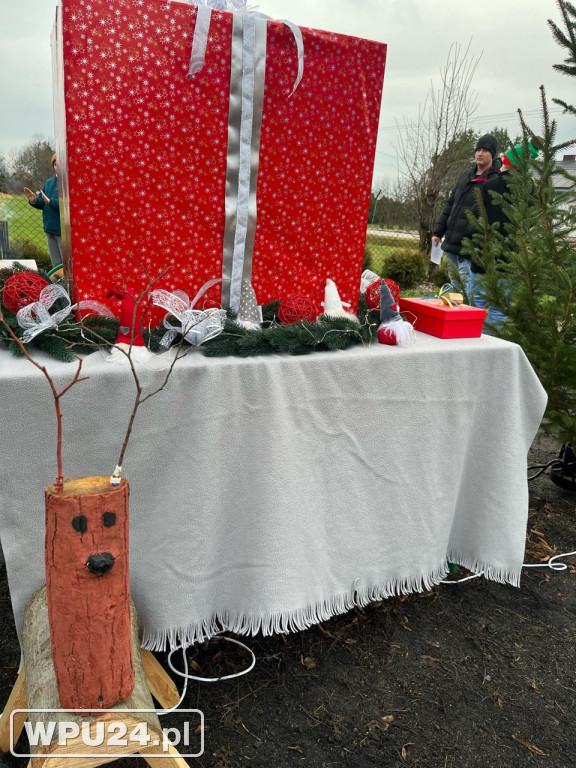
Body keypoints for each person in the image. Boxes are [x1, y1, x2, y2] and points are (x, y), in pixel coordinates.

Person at [467, 140, 541, 329]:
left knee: (474, 306)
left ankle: (470, 341)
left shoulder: (489, 186)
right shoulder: (530, 191)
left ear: (507, 162)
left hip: (483, 255)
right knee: (500, 310)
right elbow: (532, 221)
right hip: (511, 258)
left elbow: (476, 219)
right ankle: (491, 346)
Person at [432, 134, 501, 285]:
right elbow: (450, 204)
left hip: (472, 248)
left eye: (485, 150)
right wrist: (438, 232)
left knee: (467, 289)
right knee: (456, 285)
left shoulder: (496, 180)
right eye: (478, 150)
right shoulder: (465, 176)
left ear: (493, 154)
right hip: (452, 243)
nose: (480, 153)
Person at [23, 153, 62, 268]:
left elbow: (67, 205)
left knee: (65, 264)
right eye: (55, 164)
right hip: (49, 228)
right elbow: (42, 202)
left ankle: (67, 283)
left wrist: (51, 202)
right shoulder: (49, 183)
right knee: (55, 263)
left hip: (62, 230)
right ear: (53, 166)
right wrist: (34, 200)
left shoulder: (68, 183)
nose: (58, 167)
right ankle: (58, 283)